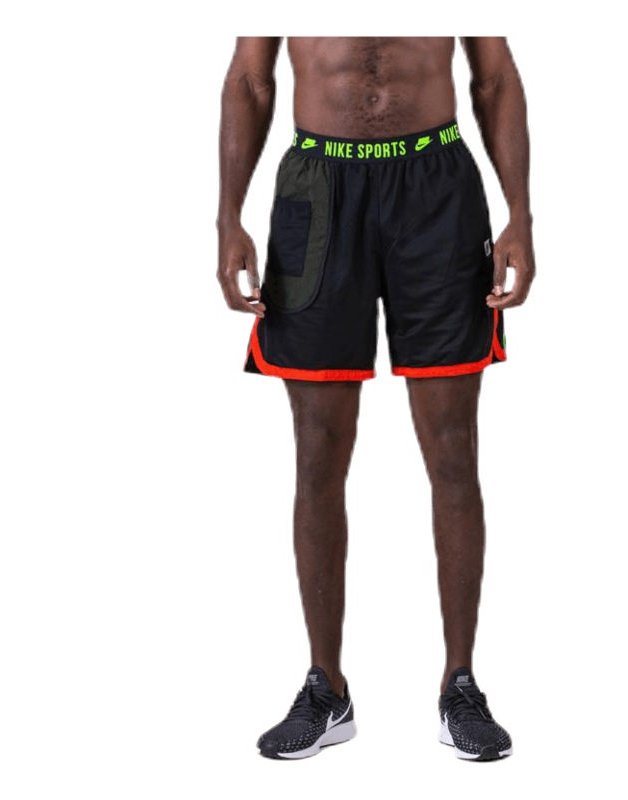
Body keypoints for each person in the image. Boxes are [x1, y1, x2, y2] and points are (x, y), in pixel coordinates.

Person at [216, 36, 535, 761]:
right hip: (318, 188)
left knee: (453, 449)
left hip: (437, 187)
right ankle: (325, 688)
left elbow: (494, 78)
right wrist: (228, 216)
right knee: (317, 452)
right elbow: (250, 79)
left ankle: (460, 685)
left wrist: (520, 213)